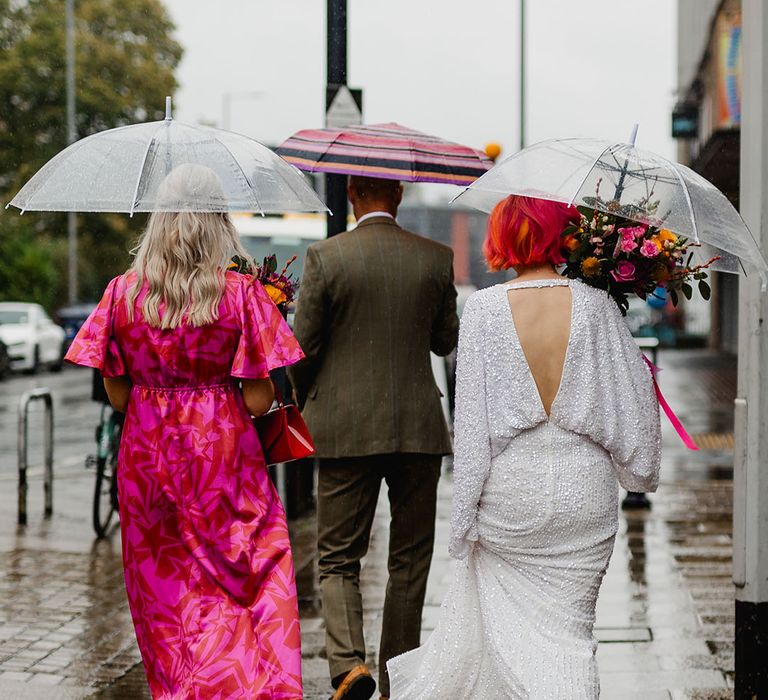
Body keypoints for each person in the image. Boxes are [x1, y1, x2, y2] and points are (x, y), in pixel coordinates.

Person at [387, 194, 661, 699]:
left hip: (512, 496)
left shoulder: (484, 312)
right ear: (563, 236)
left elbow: (471, 427)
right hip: (584, 494)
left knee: (507, 641)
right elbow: (633, 403)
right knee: (574, 636)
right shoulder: (598, 307)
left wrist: (464, 517)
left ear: (503, 237)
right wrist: (639, 474)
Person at [65, 164, 305, 699]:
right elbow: (259, 397)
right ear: (218, 221)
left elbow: (119, 395)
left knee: (166, 591)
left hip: (148, 459)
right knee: (252, 572)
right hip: (225, 457)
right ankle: (249, 685)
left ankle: (182, 689)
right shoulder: (242, 295)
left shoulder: (122, 294)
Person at [288, 175, 459, 700]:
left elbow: (302, 349)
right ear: (399, 196)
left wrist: (307, 400)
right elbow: (445, 340)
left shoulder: (325, 257)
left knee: (338, 557)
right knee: (410, 560)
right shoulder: (435, 257)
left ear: (353, 197)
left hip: (344, 430)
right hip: (417, 429)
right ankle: (396, 679)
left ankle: (348, 666)